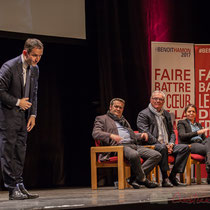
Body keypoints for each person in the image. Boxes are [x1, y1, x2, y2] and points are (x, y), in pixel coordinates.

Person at [0, 38, 43, 200]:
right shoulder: (9, 67)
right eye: (34, 55)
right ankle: (11, 188)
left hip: (23, 117)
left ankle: (19, 183)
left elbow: (34, 93)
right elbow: (0, 90)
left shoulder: (35, 69)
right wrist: (18, 102)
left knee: (20, 151)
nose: (36, 59)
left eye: (39, 56)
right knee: (8, 152)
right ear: (25, 52)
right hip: (7, 115)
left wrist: (33, 114)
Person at [92, 98, 161, 189]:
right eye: (116, 107)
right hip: (118, 147)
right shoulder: (102, 119)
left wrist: (141, 135)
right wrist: (111, 135)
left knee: (156, 155)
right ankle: (143, 179)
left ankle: (134, 178)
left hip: (132, 145)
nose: (118, 109)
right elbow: (95, 133)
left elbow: (130, 136)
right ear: (110, 107)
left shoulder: (123, 120)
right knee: (134, 154)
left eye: (120, 107)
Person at [137, 90, 190, 187]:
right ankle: (165, 178)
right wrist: (163, 145)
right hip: (152, 145)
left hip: (167, 144)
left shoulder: (166, 114)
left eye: (160, 99)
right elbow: (146, 134)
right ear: (151, 100)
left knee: (185, 148)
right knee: (162, 148)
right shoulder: (143, 114)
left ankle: (173, 176)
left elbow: (172, 132)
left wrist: (171, 143)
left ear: (164, 101)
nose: (158, 101)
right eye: (155, 98)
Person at [177, 104, 210, 184]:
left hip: (201, 143)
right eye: (189, 111)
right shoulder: (182, 123)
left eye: (193, 111)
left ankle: (209, 164)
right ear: (185, 113)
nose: (191, 113)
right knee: (208, 149)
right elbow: (182, 136)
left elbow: (204, 139)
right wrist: (197, 132)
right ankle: (209, 167)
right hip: (190, 144)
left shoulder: (198, 124)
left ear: (195, 114)